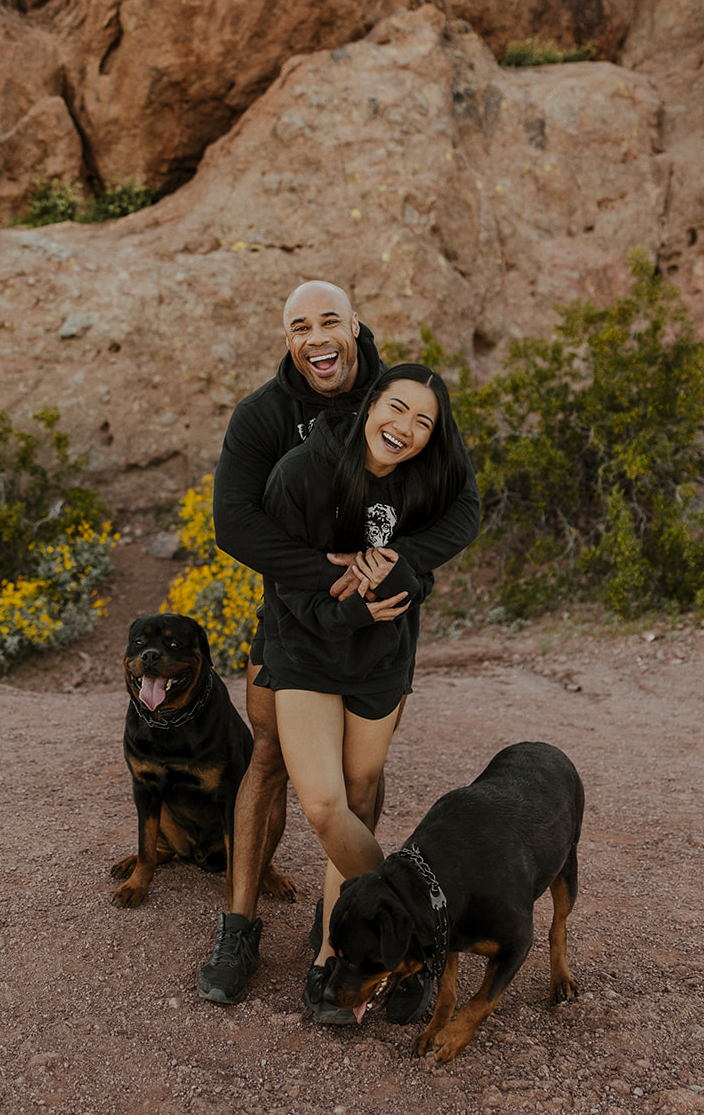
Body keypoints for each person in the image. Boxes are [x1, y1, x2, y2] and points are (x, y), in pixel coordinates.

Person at [196, 282, 480, 1010]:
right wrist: (329, 580)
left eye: (329, 321)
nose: (316, 338)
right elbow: (235, 525)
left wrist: (403, 571)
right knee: (270, 753)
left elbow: (457, 500)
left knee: (358, 784)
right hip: (292, 611)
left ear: (354, 326)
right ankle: (239, 924)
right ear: (286, 336)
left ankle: (341, 931)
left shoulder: (399, 400)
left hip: (377, 627)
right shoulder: (266, 416)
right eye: (299, 326)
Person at [259, 362, 472, 1022]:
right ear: (369, 403)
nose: (404, 428)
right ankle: (409, 927)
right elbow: (284, 582)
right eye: (396, 408)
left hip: (381, 663)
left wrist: (405, 565)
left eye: (422, 422)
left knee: (357, 795)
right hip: (305, 651)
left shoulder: (425, 484)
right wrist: (349, 610)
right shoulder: (299, 471)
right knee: (324, 806)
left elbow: (448, 541)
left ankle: (334, 957)